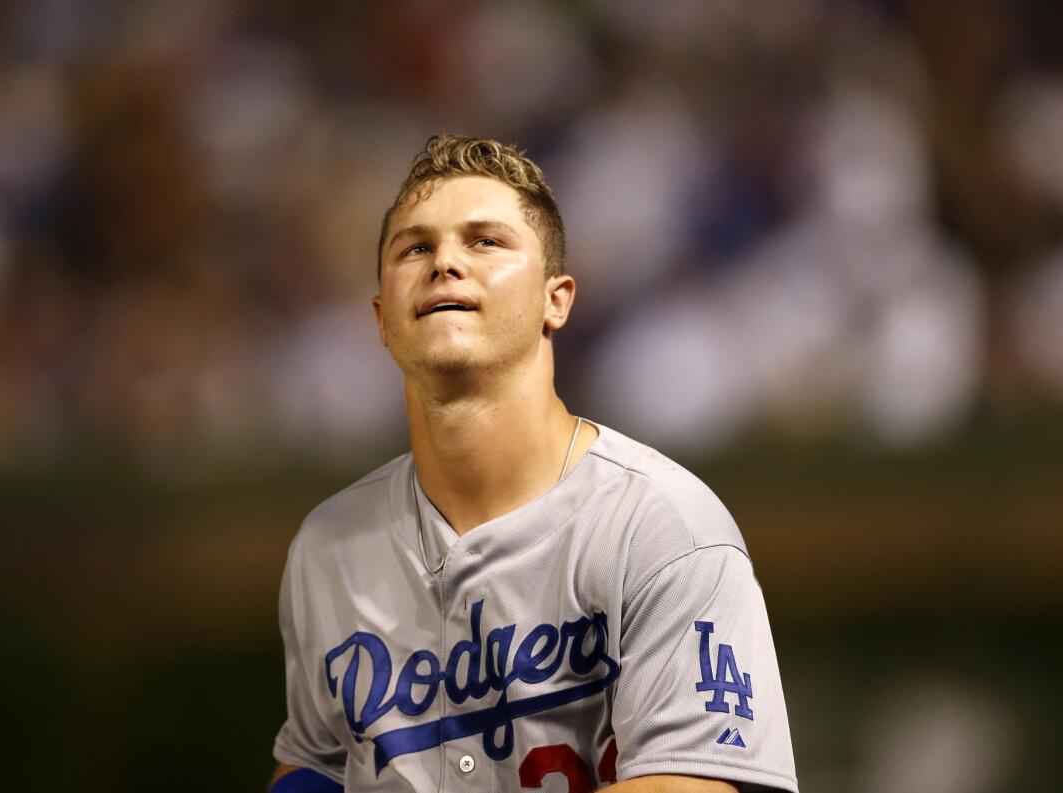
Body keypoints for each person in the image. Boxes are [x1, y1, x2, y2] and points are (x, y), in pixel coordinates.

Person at [267, 135, 799, 793]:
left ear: (558, 299)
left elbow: (691, 785)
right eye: (415, 247)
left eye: (485, 241)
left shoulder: (664, 524)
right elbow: (313, 768)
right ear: (382, 317)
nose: (445, 263)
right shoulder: (328, 546)